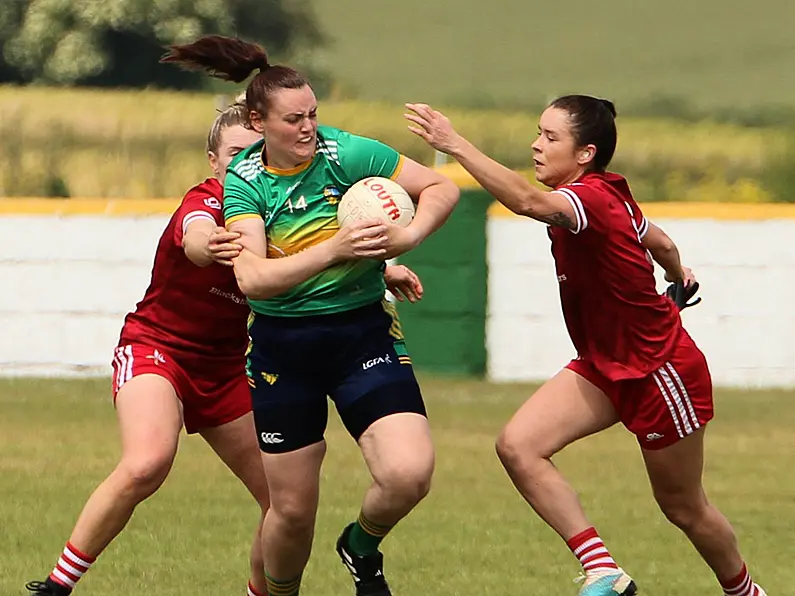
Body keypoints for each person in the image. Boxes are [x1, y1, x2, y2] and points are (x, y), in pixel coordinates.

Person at [25, 97, 425, 596]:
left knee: (284, 504)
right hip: (161, 351)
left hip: (232, 367)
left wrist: (384, 269)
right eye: (234, 153)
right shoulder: (207, 203)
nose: (246, 163)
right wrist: (208, 243)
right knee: (147, 463)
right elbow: (194, 237)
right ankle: (57, 586)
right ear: (213, 160)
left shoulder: (276, 204)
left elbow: (306, 257)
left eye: (254, 152)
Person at [405, 96, 766, 596]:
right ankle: (604, 571)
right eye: (539, 132)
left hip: (659, 371)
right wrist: (676, 274)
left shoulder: (589, 198)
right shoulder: (610, 195)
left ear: (585, 154)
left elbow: (528, 202)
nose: (536, 144)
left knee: (683, 507)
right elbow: (657, 240)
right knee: (519, 445)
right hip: (604, 363)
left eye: (551, 138)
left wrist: (455, 144)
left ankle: (745, 591)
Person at [159, 35, 460, 596]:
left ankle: (361, 543)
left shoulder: (346, 153)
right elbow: (251, 279)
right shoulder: (247, 183)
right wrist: (337, 249)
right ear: (259, 121)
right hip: (284, 349)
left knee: (408, 474)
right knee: (292, 513)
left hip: (361, 333)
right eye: (294, 119)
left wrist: (408, 234)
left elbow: (441, 186)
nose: (308, 129)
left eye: (313, 115)